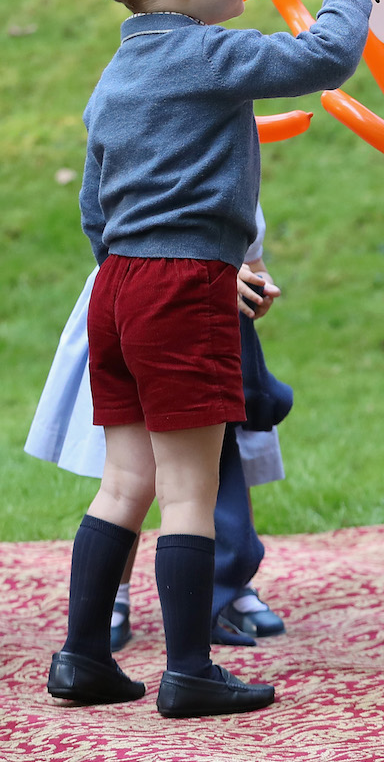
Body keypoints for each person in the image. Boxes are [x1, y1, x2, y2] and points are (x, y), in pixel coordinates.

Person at [47, 0, 384, 718]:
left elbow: (100, 204)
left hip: (118, 287)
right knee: (189, 487)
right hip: (178, 290)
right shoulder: (206, 49)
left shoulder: (117, 72)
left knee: (124, 481)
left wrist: (171, 266)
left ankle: (82, 656)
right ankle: (190, 669)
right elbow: (323, 57)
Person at [27, 205, 291, 652]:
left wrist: (248, 285)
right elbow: (98, 213)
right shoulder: (139, 146)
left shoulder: (236, 158)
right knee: (134, 474)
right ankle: (119, 602)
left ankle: (228, 585)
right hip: (149, 297)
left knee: (222, 459)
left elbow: (250, 251)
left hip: (204, 311)